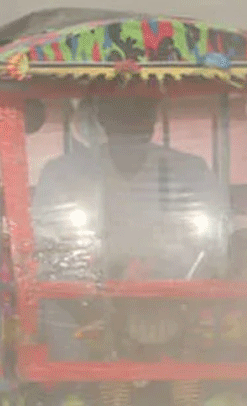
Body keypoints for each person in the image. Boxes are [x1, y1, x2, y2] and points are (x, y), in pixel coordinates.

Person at [31, 95, 229, 279]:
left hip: (175, 302)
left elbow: (212, 248)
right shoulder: (63, 174)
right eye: (119, 107)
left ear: (153, 114)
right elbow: (48, 250)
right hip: (85, 303)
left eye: (141, 106)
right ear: (101, 115)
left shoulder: (190, 172)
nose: (130, 115)